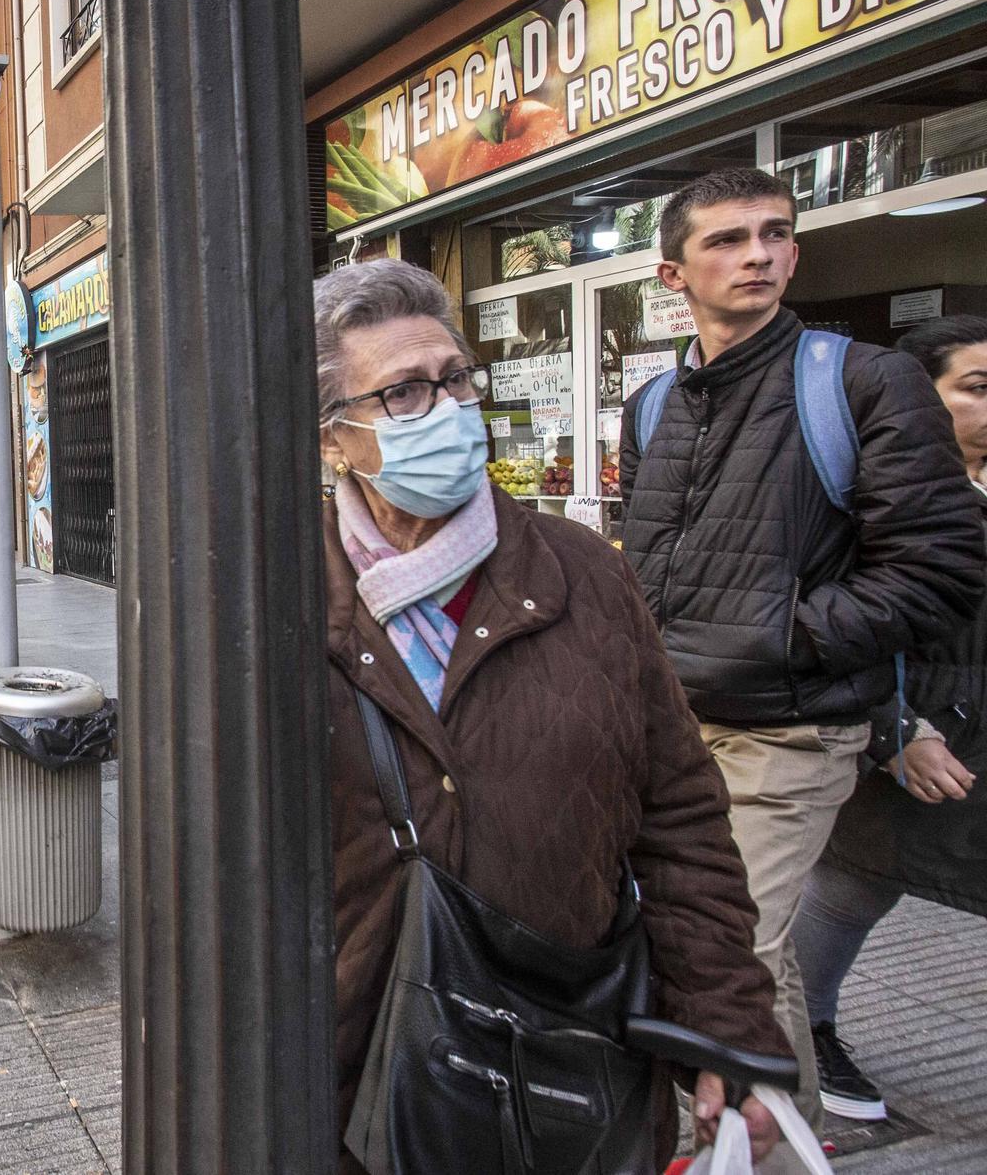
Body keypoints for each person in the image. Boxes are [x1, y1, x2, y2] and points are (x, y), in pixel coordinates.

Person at [317, 259, 788, 1169]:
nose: (448, 409)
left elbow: (680, 815)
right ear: (336, 439)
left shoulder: (587, 574)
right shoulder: (285, 602)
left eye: (454, 379)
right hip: (363, 1076)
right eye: (403, 393)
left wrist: (725, 1018)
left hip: (566, 1061)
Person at [618, 168, 984, 1136]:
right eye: (726, 239)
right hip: (673, 725)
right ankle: (786, 1137)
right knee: (746, 950)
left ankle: (746, 1145)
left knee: (723, 945)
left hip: (788, 731)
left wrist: (777, 640)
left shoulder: (860, 379)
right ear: (670, 271)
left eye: (772, 234)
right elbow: (648, 571)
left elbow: (941, 567)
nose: (755, 254)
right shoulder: (653, 402)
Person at [791, 315, 987, 1123]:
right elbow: (828, 623)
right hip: (917, 725)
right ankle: (809, 1027)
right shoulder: (869, 495)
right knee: (857, 881)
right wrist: (895, 726)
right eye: (976, 387)